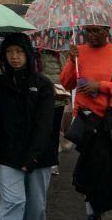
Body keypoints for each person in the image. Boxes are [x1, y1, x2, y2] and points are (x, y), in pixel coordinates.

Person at [60, 25, 112, 218]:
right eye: (89, 31)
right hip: (88, 124)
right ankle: (94, 213)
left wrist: (100, 86)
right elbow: (66, 83)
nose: (92, 35)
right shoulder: (78, 52)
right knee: (92, 170)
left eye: (97, 30)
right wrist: (71, 61)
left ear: (107, 31)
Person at [0, 33, 56, 220]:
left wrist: (33, 157)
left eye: (19, 51)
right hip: (8, 154)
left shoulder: (43, 85)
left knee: (36, 207)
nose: (14, 56)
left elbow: (45, 124)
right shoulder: (0, 83)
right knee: (13, 202)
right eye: (9, 51)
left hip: (38, 157)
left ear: (28, 53)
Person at [35, 43, 69, 176]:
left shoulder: (57, 56)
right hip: (49, 100)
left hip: (53, 100)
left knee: (50, 131)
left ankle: (51, 161)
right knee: (51, 131)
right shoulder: (57, 56)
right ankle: (51, 161)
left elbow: (66, 76)